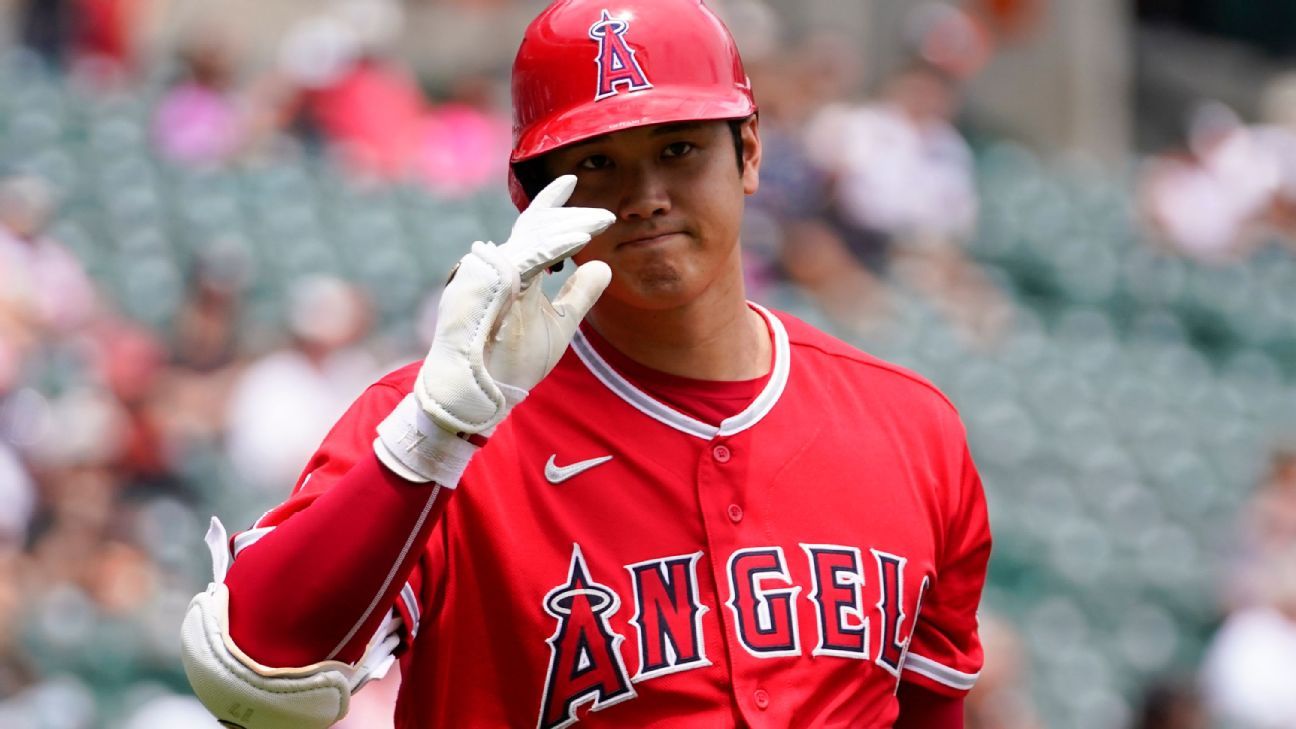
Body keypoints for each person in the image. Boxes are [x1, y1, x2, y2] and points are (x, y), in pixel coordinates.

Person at [179, 2, 991, 728]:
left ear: (749, 153)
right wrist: (433, 438)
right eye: (596, 163)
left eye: (678, 148)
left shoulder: (913, 430)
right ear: (530, 195)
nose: (644, 194)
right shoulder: (438, 426)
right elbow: (249, 676)